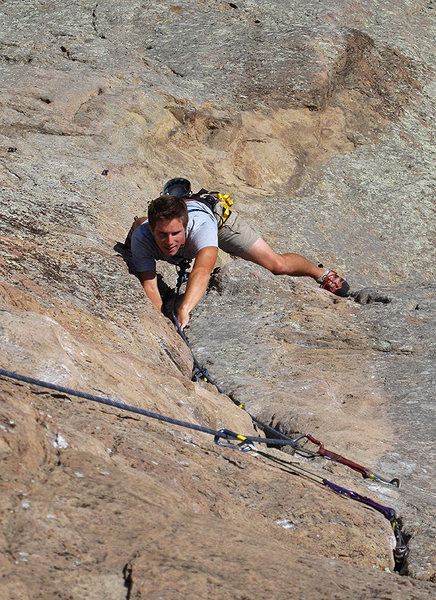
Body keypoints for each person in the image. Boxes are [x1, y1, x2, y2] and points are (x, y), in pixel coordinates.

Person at [130, 178, 350, 330]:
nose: (169, 241)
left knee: (276, 265)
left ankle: (320, 273)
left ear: (185, 226)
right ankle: (138, 225)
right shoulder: (143, 236)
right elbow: (149, 285)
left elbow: (202, 270)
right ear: (152, 229)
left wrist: (184, 309)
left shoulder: (202, 227)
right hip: (151, 230)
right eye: (162, 234)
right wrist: (161, 322)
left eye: (175, 233)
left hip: (219, 223)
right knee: (136, 239)